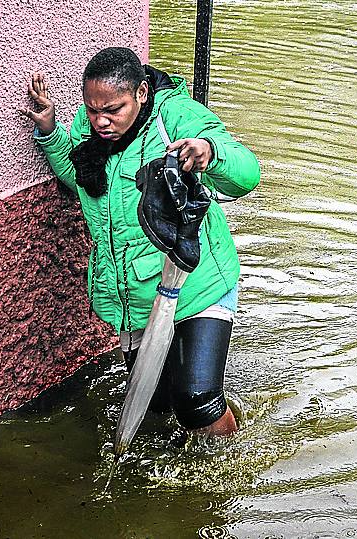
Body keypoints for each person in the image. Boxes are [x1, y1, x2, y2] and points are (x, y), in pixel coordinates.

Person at [19, 47, 260, 436]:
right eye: (92, 109)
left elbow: (246, 175)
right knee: (156, 409)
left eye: (113, 109)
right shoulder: (89, 127)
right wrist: (50, 132)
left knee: (197, 402)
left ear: (142, 93)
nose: (100, 120)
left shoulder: (177, 118)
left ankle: (229, 468)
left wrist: (211, 155)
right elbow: (82, 179)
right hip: (133, 297)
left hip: (196, 283)